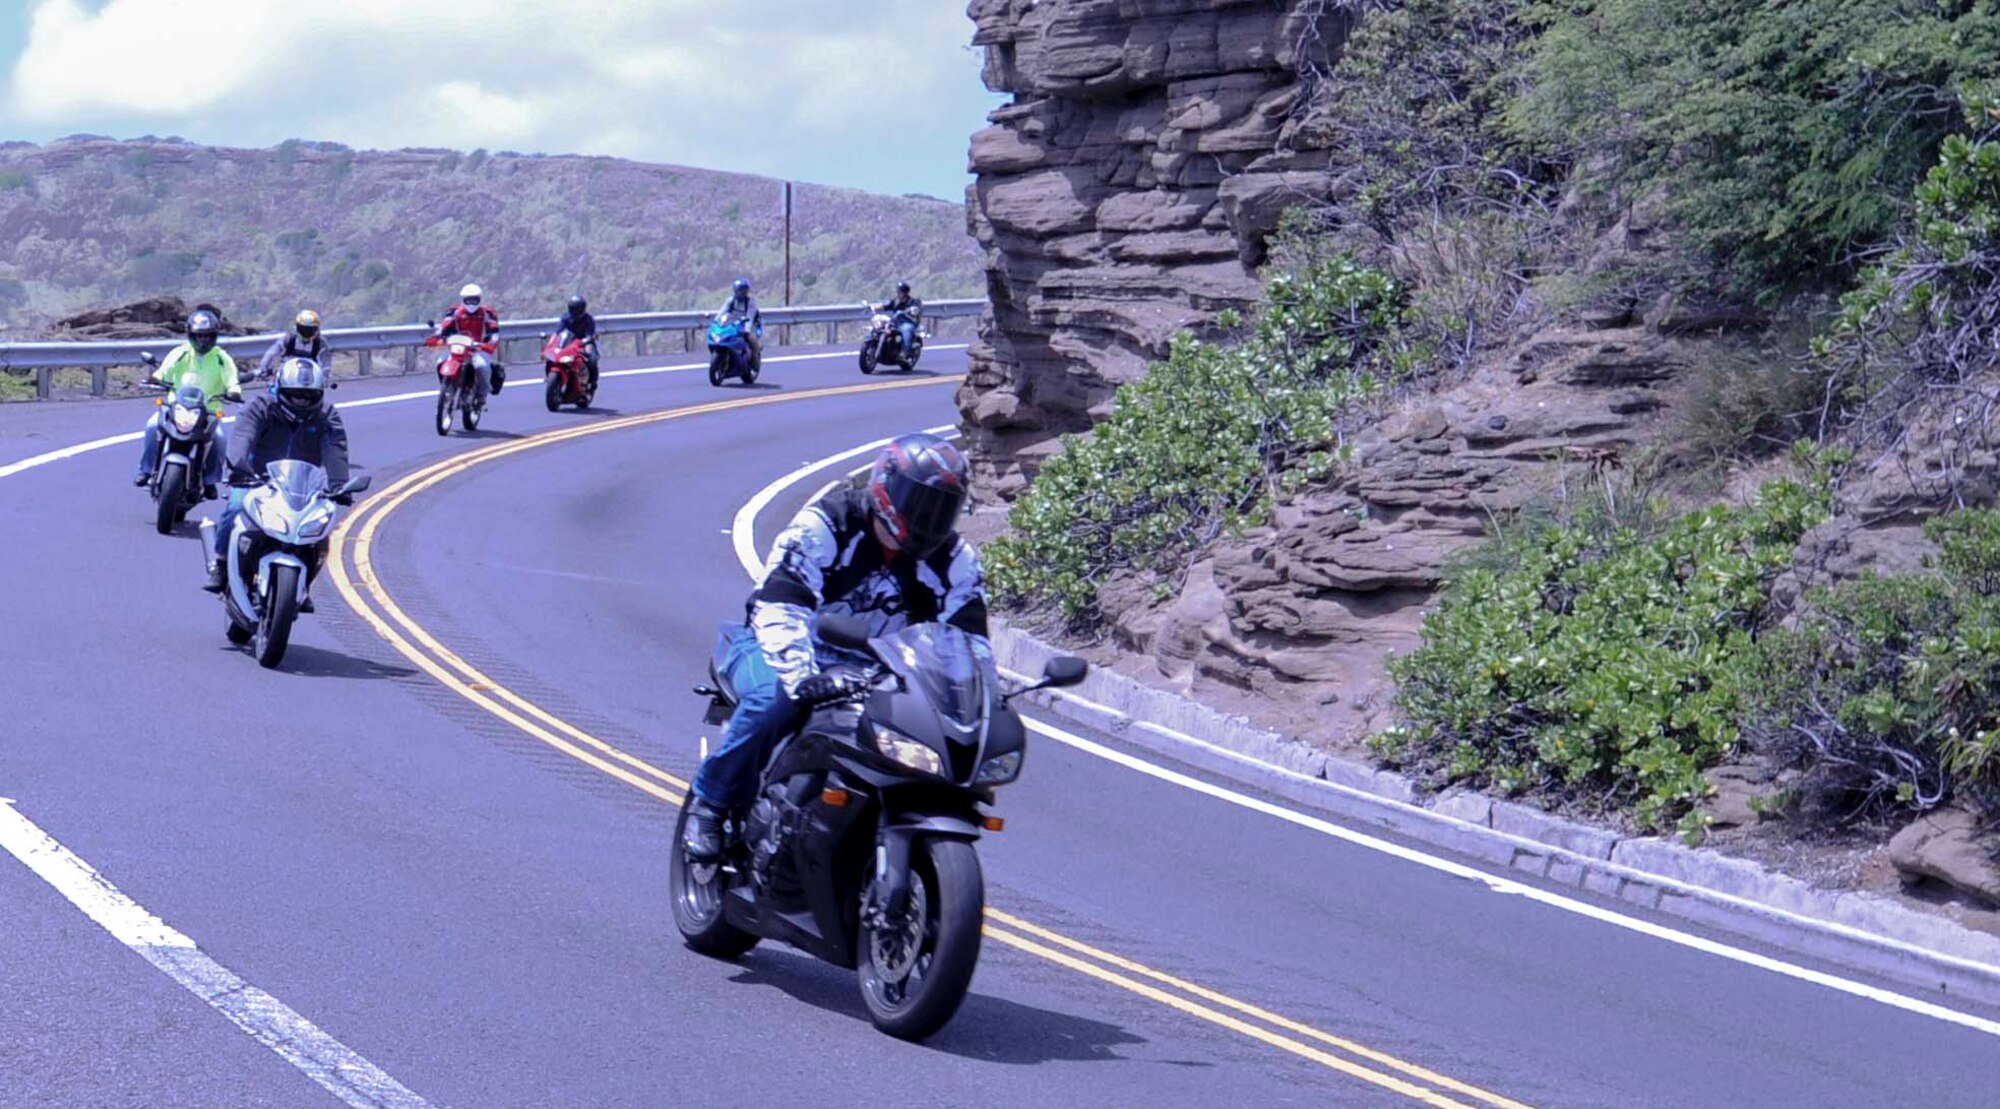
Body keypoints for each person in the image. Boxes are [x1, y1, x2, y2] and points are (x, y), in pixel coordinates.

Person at [683, 431, 985, 859]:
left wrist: (977, 694)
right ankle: (711, 802)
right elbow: (780, 603)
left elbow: (969, 640)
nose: (928, 519)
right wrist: (803, 676)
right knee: (775, 700)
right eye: (920, 503)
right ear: (885, 487)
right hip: (781, 646)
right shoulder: (826, 524)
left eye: (941, 510)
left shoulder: (957, 561)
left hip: (882, 670)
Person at [204, 356, 349, 604]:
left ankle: (304, 586)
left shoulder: (327, 415)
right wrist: (239, 467)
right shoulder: (260, 406)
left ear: (319, 394)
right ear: (281, 389)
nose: (301, 401)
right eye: (295, 394)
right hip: (257, 480)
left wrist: (339, 485)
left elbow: (336, 449)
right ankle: (220, 564)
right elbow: (242, 436)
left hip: (302, 488)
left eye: (308, 396)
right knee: (236, 507)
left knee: (320, 530)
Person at [134, 304, 240, 498]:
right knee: (151, 427)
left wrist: (233, 391)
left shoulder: (222, 358)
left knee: (219, 439)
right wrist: (156, 379)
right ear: (191, 335)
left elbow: (231, 378)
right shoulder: (180, 352)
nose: (203, 340)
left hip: (208, 412)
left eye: (207, 335)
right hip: (177, 408)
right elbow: (164, 370)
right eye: (199, 335)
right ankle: (146, 470)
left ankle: (210, 481)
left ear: (214, 336)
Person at [434, 283, 502, 398]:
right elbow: (445, 326)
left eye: (474, 300)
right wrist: (439, 337)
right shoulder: (454, 311)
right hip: (458, 347)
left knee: (482, 367)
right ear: (463, 299)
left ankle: (481, 395)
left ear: (479, 299)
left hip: (477, 348)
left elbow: (494, 332)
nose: (471, 303)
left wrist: (488, 345)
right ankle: (446, 388)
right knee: (440, 362)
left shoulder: (487, 313)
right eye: (468, 300)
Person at [255, 309, 330, 381]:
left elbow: (326, 362)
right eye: (303, 329)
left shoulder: (320, 343)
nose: (306, 332)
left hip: (309, 379)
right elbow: (272, 352)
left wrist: (324, 377)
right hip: (287, 377)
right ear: (297, 328)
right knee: (273, 387)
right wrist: (263, 368)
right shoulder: (289, 339)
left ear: (316, 330)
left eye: (310, 330)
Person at [556, 293, 599, 388]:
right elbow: (559, 331)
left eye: (578, 309)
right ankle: (553, 374)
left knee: (591, 357)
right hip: (569, 342)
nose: (576, 311)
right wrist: (557, 339)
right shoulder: (565, 318)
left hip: (584, 342)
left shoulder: (588, 319)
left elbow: (589, 333)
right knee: (555, 355)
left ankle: (592, 381)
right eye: (574, 309)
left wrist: (587, 340)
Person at [717, 277, 762, 366]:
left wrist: (747, 329)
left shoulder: (750, 302)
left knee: (751, 339)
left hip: (749, 323)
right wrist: (717, 322)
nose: (741, 293)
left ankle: (755, 359)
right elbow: (722, 311)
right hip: (734, 323)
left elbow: (750, 315)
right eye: (739, 290)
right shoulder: (731, 300)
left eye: (743, 290)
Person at [874, 281, 923, 362]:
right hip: (896, 322)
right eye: (897, 291)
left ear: (905, 292)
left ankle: (904, 353)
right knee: (881, 326)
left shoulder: (913, 301)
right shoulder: (896, 301)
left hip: (908, 322)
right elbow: (886, 306)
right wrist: (875, 307)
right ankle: (876, 344)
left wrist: (913, 310)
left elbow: (918, 308)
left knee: (906, 330)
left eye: (899, 291)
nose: (898, 293)